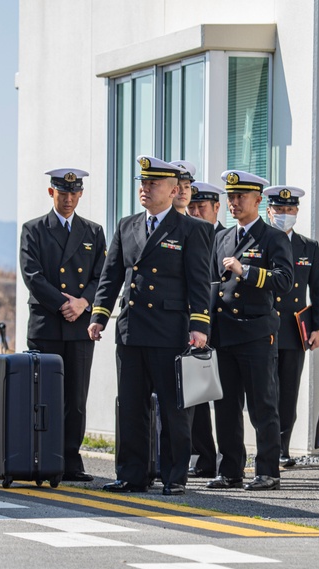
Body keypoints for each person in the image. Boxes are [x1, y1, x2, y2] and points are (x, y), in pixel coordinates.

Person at [88, 156, 211, 496]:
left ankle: (174, 476)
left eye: (153, 183)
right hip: (131, 329)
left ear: (173, 190)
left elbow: (199, 282)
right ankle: (132, 474)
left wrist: (199, 326)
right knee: (130, 406)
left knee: (173, 409)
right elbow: (111, 274)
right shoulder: (127, 225)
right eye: (142, 182)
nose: (145, 188)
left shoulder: (193, 229)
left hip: (170, 331)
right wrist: (99, 315)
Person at [206, 170, 293, 491]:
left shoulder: (273, 238)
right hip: (225, 332)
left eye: (241, 196)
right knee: (226, 406)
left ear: (258, 200)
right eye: (231, 197)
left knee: (262, 405)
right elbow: (212, 284)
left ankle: (268, 470)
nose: (235, 202)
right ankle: (230, 470)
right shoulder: (222, 238)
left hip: (256, 333)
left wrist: (248, 271)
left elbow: (285, 281)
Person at [19, 168, 107, 483]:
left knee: (75, 399)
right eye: (62, 193)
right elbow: (32, 276)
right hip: (47, 324)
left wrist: (83, 303)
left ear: (81, 194)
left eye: (74, 193)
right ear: (51, 193)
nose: (68, 199)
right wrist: (63, 304)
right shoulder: (34, 229)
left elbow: (102, 276)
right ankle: (40, 455)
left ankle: (71, 460)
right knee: (42, 397)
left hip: (79, 325)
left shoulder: (94, 231)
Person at [262, 185, 319, 467]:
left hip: (292, 330)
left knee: (288, 392)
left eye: (290, 210)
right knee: (265, 391)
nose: (284, 214)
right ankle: (265, 445)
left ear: (297, 213)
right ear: (269, 211)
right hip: (261, 327)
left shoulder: (308, 248)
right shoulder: (259, 241)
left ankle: (281, 448)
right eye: (279, 209)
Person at [186, 180, 229, 478]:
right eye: (192, 206)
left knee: (225, 400)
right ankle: (203, 456)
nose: (196, 212)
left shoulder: (225, 238)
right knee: (196, 395)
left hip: (224, 326)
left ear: (216, 208)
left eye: (202, 207)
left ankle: (228, 461)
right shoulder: (186, 232)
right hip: (195, 326)